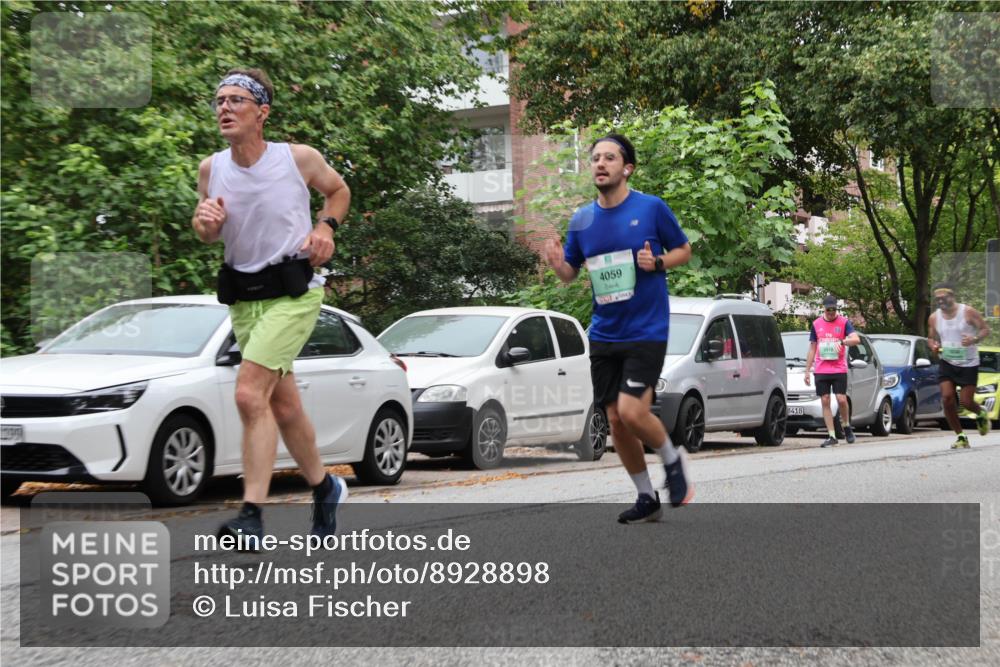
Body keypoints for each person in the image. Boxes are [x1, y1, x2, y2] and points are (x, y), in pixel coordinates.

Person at [192, 68, 351, 545]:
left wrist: (325, 229)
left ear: (261, 112)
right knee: (282, 406)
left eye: (237, 100)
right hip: (244, 297)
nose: (224, 107)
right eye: (220, 99)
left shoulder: (296, 158)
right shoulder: (211, 168)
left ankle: (251, 516)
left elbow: (338, 192)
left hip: (294, 294)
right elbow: (207, 231)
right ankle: (325, 487)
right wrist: (204, 221)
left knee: (247, 395)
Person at [543, 133, 693, 523]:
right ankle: (647, 497)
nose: (600, 163)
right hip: (604, 333)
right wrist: (557, 261)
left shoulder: (651, 208)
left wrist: (658, 263)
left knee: (631, 410)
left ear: (626, 168)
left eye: (609, 158)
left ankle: (672, 459)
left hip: (646, 329)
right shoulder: (582, 219)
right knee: (614, 419)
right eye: (595, 158)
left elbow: (684, 250)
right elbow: (569, 274)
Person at [927, 282, 992, 448]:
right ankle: (961, 436)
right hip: (947, 361)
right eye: (937, 299)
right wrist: (933, 346)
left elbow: (985, 329)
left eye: (943, 298)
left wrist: (974, 339)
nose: (940, 302)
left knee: (966, 402)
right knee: (947, 399)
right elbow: (930, 338)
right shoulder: (934, 317)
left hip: (969, 363)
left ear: (952, 296)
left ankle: (980, 412)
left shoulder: (967, 312)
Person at [804, 295, 861, 447]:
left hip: (838, 368)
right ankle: (831, 435)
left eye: (834, 310)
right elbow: (812, 348)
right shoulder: (816, 324)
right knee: (825, 400)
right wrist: (807, 370)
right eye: (828, 310)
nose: (831, 312)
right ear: (824, 308)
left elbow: (856, 339)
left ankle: (847, 425)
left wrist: (843, 341)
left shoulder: (843, 322)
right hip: (821, 368)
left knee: (841, 399)